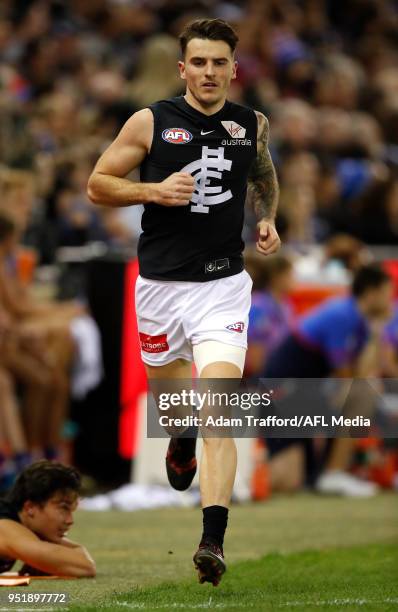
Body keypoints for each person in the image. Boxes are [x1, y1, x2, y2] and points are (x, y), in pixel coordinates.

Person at [87, 18, 280, 586]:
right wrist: (153, 190)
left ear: (233, 69)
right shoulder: (152, 120)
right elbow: (98, 183)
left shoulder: (252, 124)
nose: (209, 72)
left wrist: (267, 218)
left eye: (219, 62)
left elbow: (265, 176)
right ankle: (179, 439)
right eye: (199, 62)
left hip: (223, 287)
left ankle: (212, 540)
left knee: (218, 408)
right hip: (161, 289)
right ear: (183, 68)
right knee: (175, 409)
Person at [262, 263, 394, 496]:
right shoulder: (342, 314)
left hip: (305, 392)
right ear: (371, 292)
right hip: (282, 393)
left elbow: (362, 372)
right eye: (387, 293)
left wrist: (377, 331)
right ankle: (332, 473)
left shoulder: (361, 322)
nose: (391, 300)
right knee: (286, 481)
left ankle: (332, 472)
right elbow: (345, 375)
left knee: (365, 391)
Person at [0, 460, 96, 577]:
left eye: (71, 511)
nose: (70, 520)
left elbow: (79, 556)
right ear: (30, 507)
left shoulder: (17, 522)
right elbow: (85, 566)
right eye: (63, 508)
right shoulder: (5, 527)